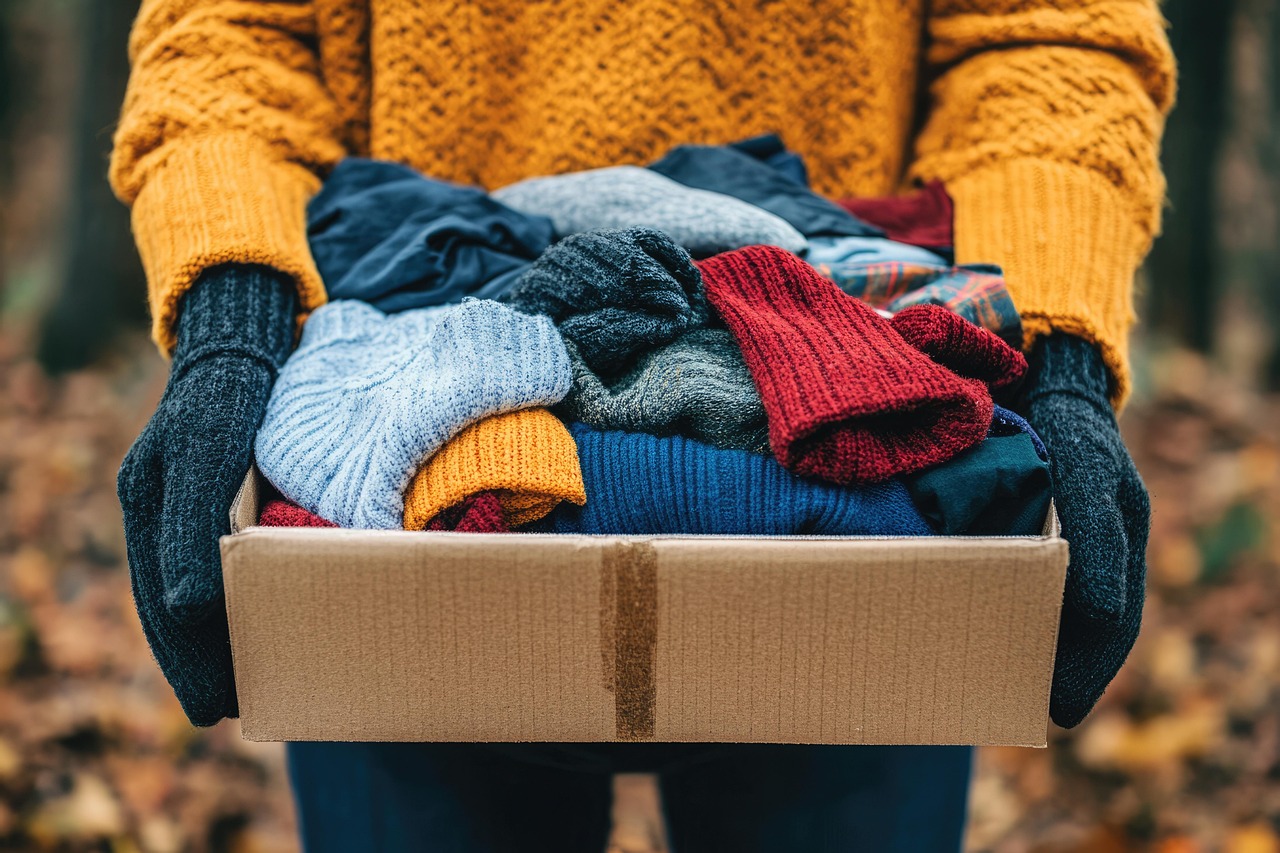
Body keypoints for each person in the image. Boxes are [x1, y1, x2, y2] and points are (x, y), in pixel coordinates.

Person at [109, 1, 1174, 850]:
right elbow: (231, 34)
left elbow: (1048, 40)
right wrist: (230, 329)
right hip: (406, 526)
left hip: (871, 515)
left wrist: (1060, 362)